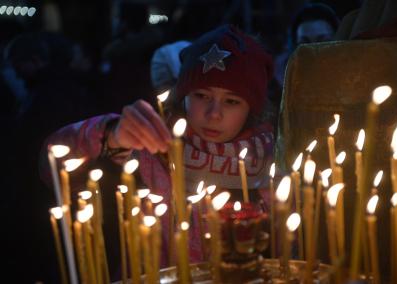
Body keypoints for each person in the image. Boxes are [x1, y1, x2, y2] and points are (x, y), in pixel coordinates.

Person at [42, 24, 275, 279]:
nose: (214, 113)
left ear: (251, 108)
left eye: (231, 101)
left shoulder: (273, 160)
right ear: (183, 95)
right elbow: (50, 165)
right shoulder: (151, 142)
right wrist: (111, 134)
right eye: (201, 95)